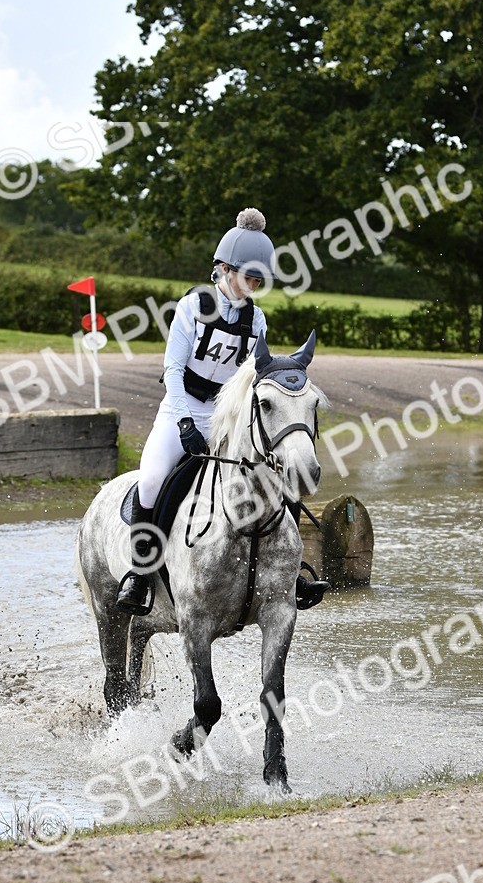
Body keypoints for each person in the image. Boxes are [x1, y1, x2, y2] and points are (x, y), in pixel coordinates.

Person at [115, 207, 329, 616]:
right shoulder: (193, 307)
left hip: (225, 418)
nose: (254, 286)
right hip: (180, 407)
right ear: (226, 270)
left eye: (260, 280)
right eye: (250, 277)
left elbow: (256, 378)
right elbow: (173, 370)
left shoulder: (256, 320)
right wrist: (182, 422)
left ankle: (287, 570)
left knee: (268, 470)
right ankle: (140, 574)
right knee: (153, 478)